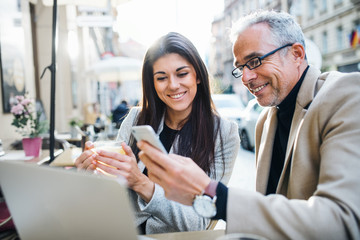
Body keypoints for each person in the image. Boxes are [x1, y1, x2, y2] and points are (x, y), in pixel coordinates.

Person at [137, 10, 360, 239]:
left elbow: (343, 221)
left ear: (296, 54)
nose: (245, 78)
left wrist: (215, 194)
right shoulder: (265, 120)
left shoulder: (345, 94)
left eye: (254, 61)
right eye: (241, 67)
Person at [75, 32, 240, 234]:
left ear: (197, 76)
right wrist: (92, 176)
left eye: (182, 74)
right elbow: (112, 193)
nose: (172, 85)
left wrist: (142, 184)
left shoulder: (224, 133)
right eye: (161, 78)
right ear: (152, 83)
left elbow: (199, 222)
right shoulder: (136, 118)